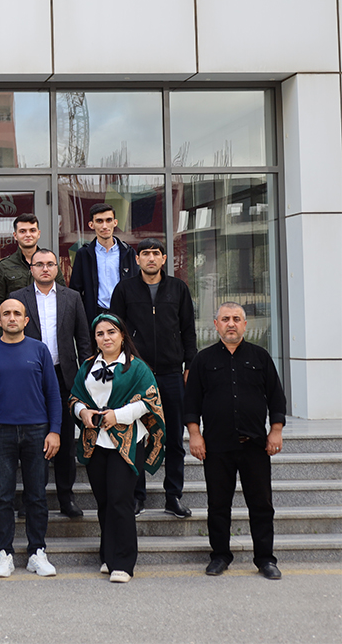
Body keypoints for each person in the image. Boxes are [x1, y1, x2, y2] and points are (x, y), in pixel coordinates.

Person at [184, 302, 286, 580]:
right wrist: (195, 435)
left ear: (245, 324)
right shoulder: (203, 360)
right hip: (216, 446)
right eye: (226, 319)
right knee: (218, 505)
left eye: (237, 319)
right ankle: (220, 556)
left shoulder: (260, 356)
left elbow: (276, 397)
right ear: (216, 324)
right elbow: (191, 402)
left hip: (255, 445)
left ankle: (265, 559)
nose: (231, 323)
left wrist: (276, 430)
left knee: (261, 505)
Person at [68, 312, 166, 584]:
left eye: (111, 332)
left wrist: (118, 415)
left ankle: (123, 562)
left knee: (120, 500)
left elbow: (150, 401)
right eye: (100, 334)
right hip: (96, 441)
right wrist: (82, 412)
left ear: (122, 335)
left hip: (126, 441)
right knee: (104, 501)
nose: (106, 338)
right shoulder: (88, 366)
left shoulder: (137, 368)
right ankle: (108, 555)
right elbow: (74, 397)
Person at [110, 238, 197, 518]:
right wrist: (121, 367)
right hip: (137, 375)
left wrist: (190, 365)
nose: (150, 258)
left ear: (163, 259)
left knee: (174, 438)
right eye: (145, 254)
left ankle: (173, 496)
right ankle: (138, 496)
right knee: (137, 435)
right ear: (137, 260)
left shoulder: (178, 289)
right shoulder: (124, 289)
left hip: (171, 374)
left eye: (156, 254)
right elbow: (115, 331)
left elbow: (188, 330)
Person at [0, 299, 62, 578]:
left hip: (37, 430)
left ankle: (37, 551)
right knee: (2, 496)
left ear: (26, 320)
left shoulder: (39, 350)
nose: (11, 318)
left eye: (17, 314)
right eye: (6, 314)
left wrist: (55, 430)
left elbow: (53, 393)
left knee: (37, 495)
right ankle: (4, 553)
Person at [10, 248, 91, 518]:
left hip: (63, 376)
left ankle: (66, 498)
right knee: (31, 441)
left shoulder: (72, 297)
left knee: (65, 442)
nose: (45, 269)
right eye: (39, 264)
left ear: (57, 268)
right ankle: (31, 497)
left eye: (50, 264)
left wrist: (85, 374)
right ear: (31, 269)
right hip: (28, 378)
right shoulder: (17, 298)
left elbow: (83, 338)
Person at [0, 213, 65, 339]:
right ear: (15, 235)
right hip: (16, 334)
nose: (28, 235)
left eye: (32, 230)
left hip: (48, 331)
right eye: (22, 231)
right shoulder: (4, 266)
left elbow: (62, 296)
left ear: (38, 233)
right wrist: (0, 335)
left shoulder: (50, 264)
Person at [69, 203, 139, 323]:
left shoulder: (128, 252)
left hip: (124, 316)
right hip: (94, 316)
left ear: (115, 222)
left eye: (108, 220)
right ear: (91, 225)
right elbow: (75, 290)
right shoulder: (83, 254)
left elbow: (137, 287)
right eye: (99, 221)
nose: (105, 226)